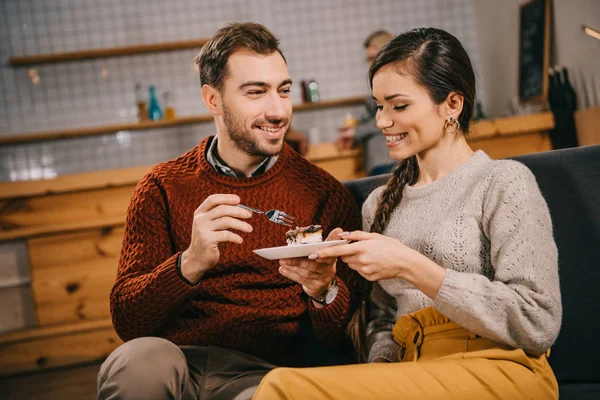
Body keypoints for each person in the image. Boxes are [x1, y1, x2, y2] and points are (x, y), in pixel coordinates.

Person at [253, 28, 561, 400]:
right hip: (416, 370)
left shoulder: (503, 182)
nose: (382, 121)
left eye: (398, 106)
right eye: (379, 106)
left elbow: (538, 321)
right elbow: (383, 320)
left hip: (499, 366)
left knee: (282, 387)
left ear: (452, 104)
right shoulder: (381, 202)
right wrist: (376, 370)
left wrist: (409, 265)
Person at [97, 22, 363, 400]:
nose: (278, 111)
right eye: (256, 93)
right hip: (176, 361)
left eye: (283, 91)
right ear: (213, 100)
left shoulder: (323, 194)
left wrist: (324, 291)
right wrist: (188, 263)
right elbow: (128, 320)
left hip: (266, 374)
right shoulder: (162, 187)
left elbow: (343, 335)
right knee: (134, 364)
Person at [336, 30, 396, 176]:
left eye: (373, 58)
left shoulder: (394, 83)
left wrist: (356, 132)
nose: (370, 64)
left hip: (388, 159)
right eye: (368, 59)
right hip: (382, 159)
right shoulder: (381, 82)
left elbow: (390, 117)